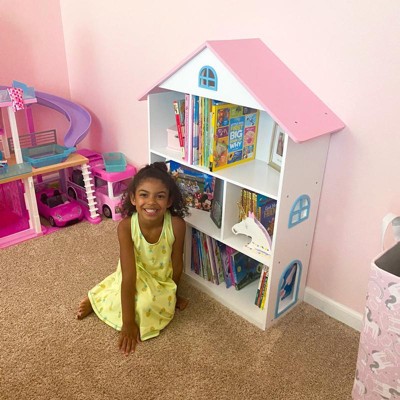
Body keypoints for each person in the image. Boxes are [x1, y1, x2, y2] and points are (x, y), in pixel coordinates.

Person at [77, 162, 190, 355]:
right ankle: (96, 300)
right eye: (144, 195)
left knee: (148, 306)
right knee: (128, 303)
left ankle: (101, 298)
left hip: (161, 280)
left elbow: (177, 264)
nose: (151, 202)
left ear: (169, 201)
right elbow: (129, 276)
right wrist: (128, 324)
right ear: (133, 198)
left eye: (160, 196)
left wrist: (175, 294)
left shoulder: (177, 225)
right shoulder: (126, 227)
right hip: (133, 275)